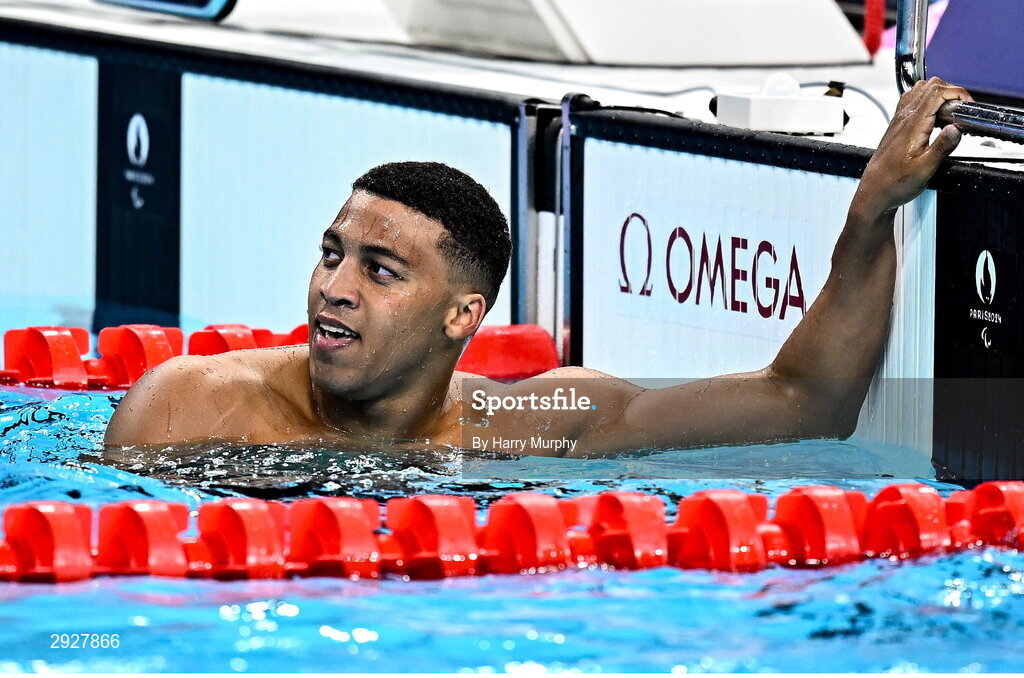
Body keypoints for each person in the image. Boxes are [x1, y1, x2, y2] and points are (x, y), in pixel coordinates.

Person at [104, 78, 972, 457]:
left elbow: (804, 403)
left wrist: (870, 215)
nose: (334, 287)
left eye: (380, 270)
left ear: (462, 315)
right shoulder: (186, 407)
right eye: (332, 255)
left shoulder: (543, 422)